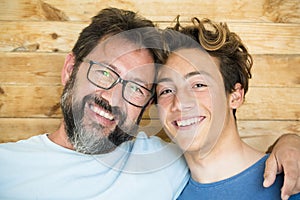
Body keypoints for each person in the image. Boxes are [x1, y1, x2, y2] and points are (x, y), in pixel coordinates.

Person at [0, 7, 299, 200]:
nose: (112, 97)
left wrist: (289, 143)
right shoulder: (7, 167)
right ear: (70, 70)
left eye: (136, 87)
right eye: (105, 72)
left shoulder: (161, 160)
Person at [156, 17, 300, 199]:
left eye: (198, 85)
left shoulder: (292, 182)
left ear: (235, 96)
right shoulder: (159, 192)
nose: (179, 103)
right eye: (167, 90)